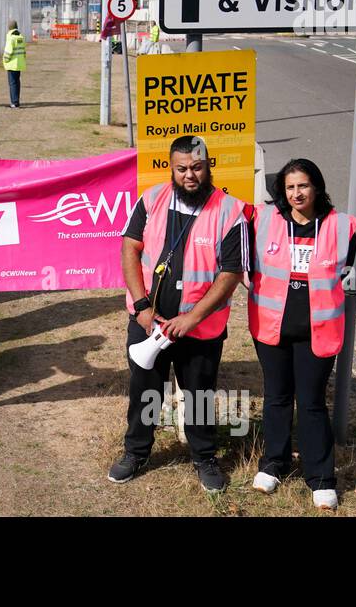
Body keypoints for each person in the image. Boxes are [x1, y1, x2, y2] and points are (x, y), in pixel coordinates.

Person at [108, 135, 248, 494]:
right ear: (171, 168)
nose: (190, 175)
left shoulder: (231, 212)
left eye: (197, 167)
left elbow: (230, 273)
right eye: (182, 168)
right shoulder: (152, 200)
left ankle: (204, 457)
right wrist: (141, 306)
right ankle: (136, 452)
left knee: (199, 393)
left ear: (209, 167)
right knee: (145, 390)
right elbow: (130, 248)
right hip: (148, 322)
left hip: (199, 328)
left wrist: (192, 318)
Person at [248, 159, 356, 511]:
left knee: (311, 402)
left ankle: (321, 478)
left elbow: (344, 273)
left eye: (303, 185)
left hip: (318, 331)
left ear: (317, 187)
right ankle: (273, 464)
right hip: (272, 327)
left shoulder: (341, 227)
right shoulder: (263, 220)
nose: (296, 193)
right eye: (290, 187)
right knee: (277, 397)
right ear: (282, 190)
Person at [2, 20, 27, 108]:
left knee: (12, 83)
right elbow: (23, 51)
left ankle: (14, 102)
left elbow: (8, 51)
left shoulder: (10, 37)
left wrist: (5, 60)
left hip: (12, 63)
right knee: (17, 82)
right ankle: (17, 101)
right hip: (19, 63)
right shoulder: (20, 37)